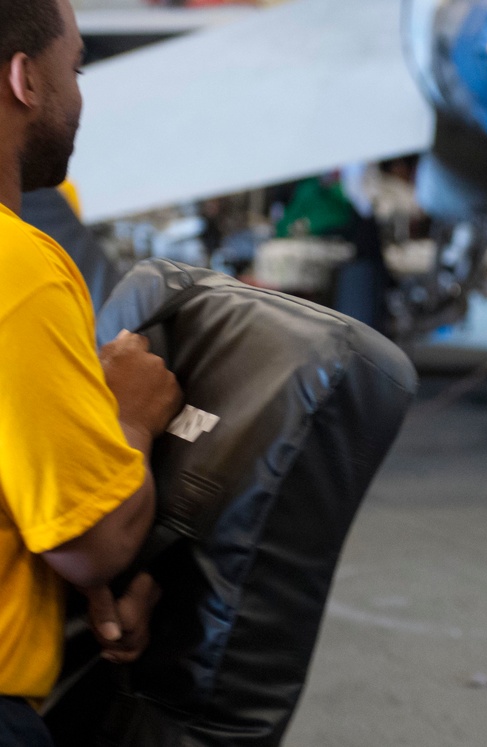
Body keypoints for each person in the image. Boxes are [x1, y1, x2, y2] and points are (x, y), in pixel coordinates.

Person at [0, 0, 183, 743]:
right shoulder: (18, 270)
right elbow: (92, 538)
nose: (79, 97)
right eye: (72, 69)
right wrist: (132, 412)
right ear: (25, 80)